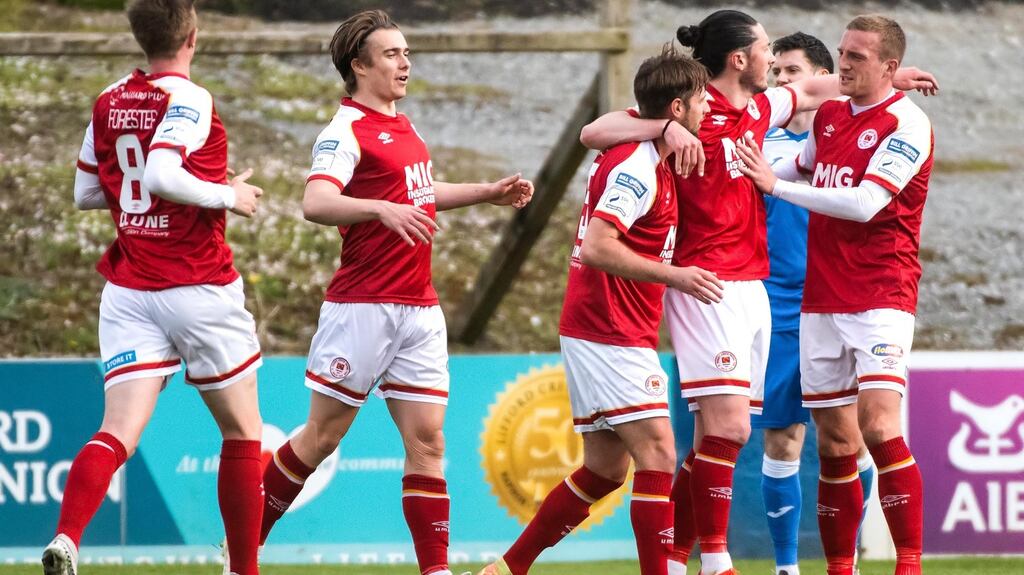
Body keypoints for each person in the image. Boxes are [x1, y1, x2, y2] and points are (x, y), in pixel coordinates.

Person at [578, 10, 936, 575]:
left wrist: (892, 76)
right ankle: (715, 558)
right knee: (736, 430)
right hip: (705, 283)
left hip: (755, 286)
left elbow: (814, 86)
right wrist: (662, 128)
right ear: (740, 58)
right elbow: (592, 133)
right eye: (767, 48)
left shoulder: (761, 108)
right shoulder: (691, 108)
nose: (774, 58)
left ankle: (676, 557)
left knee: (727, 434)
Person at [254, 11, 533, 575]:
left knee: (428, 443)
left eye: (406, 53)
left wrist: (485, 192)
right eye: (391, 54)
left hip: (418, 308)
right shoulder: (344, 131)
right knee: (322, 437)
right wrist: (379, 208)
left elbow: (420, 193)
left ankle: (436, 570)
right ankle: (243, 547)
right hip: (362, 306)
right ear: (358, 66)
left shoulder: (404, 127)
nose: (404, 63)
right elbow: (316, 202)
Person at [478, 46, 721, 575]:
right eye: (701, 101)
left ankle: (507, 568)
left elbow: (599, 132)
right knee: (658, 453)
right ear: (676, 109)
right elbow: (597, 247)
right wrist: (677, 275)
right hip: (609, 329)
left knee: (605, 469)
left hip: (603, 326)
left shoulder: (642, 147)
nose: (708, 109)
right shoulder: (636, 166)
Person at [42, 1, 266, 575]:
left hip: (130, 289)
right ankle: (244, 570)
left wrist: (166, 195)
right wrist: (226, 196)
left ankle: (67, 538)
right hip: (196, 285)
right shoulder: (189, 97)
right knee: (242, 432)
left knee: (116, 433)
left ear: (138, 35)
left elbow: (87, 193)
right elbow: (164, 174)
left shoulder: (110, 97)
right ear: (193, 34)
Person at [736, 14, 934, 575]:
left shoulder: (906, 123)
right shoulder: (828, 119)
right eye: (843, 53)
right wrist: (744, 174)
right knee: (834, 444)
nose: (844, 64)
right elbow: (789, 165)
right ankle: (839, 568)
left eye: (857, 57)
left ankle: (909, 564)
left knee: (877, 425)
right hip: (822, 299)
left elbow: (866, 203)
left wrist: (778, 188)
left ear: (889, 68)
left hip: (881, 293)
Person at [753, 32, 875, 575]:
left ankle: (842, 563)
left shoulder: (854, 139)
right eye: (776, 71)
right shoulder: (759, 142)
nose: (783, 81)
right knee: (781, 437)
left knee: (847, 439)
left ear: (822, 78)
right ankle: (785, 568)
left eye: (793, 71)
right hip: (777, 304)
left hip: (839, 299)